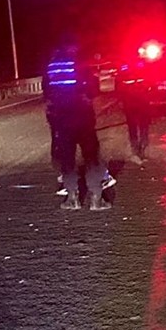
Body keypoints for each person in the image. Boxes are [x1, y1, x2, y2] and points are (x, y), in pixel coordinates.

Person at [44, 36, 112, 211]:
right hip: (82, 114)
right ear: (73, 48)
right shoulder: (80, 63)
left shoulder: (51, 65)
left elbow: (47, 92)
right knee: (91, 155)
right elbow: (92, 89)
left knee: (67, 157)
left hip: (61, 117)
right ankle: (96, 199)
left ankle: (72, 198)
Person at [117, 57, 151, 165]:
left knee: (139, 126)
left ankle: (139, 149)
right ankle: (138, 150)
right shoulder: (135, 65)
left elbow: (149, 80)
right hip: (135, 101)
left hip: (136, 101)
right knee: (138, 126)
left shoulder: (129, 65)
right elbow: (120, 84)